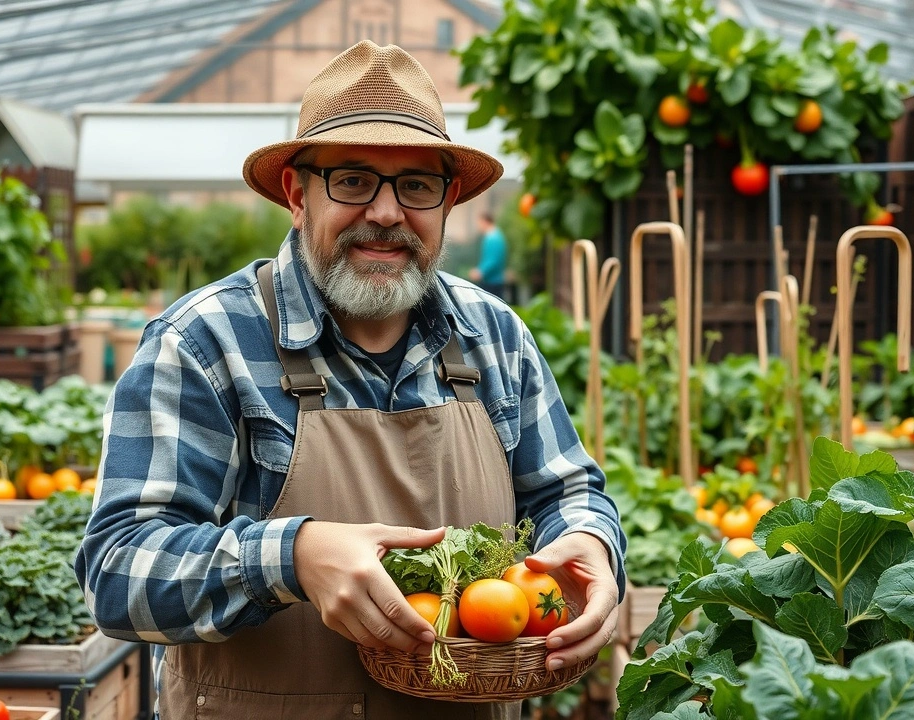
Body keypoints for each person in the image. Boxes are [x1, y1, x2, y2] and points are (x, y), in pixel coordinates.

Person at [75, 40, 626, 720]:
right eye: (353, 180)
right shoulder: (205, 342)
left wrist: (590, 543)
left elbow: (567, 493)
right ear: (296, 193)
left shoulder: (495, 336)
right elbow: (116, 572)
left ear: (448, 200)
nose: (388, 213)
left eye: (416, 185)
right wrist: (289, 557)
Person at [468, 211, 507, 299]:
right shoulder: (496, 235)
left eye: (479, 223)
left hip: (492, 282)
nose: (479, 226)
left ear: (485, 221)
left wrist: (480, 272)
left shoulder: (493, 237)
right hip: (494, 280)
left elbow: (493, 260)